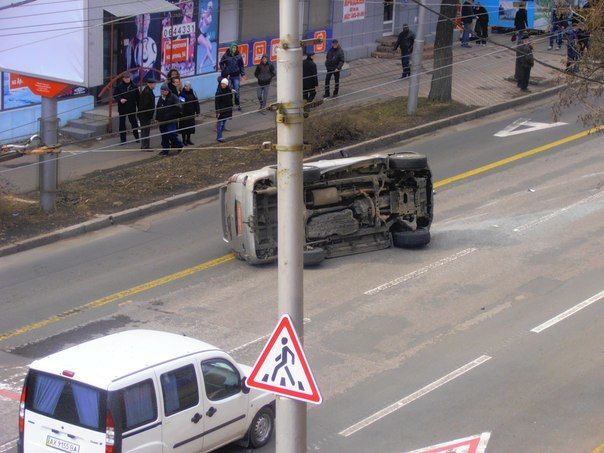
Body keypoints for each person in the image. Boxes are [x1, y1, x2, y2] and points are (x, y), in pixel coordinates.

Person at [155, 83, 183, 155]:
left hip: (171, 120)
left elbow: (179, 107)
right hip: (162, 120)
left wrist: (171, 114)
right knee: (164, 136)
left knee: (171, 134)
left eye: (163, 91)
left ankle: (179, 145)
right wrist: (157, 118)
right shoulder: (161, 98)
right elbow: (158, 108)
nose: (162, 92)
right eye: (161, 91)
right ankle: (165, 150)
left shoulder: (173, 97)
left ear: (167, 91)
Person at [113, 72, 140, 145]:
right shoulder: (119, 87)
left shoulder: (134, 86)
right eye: (126, 78)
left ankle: (137, 137)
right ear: (123, 79)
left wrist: (139, 107)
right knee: (122, 124)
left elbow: (138, 98)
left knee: (134, 123)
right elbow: (115, 95)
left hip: (132, 107)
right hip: (122, 108)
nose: (127, 79)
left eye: (128, 77)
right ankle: (123, 140)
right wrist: (120, 99)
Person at [219, 43, 246, 110]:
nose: (234, 49)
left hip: (236, 75)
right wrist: (224, 70)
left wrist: (243, 74)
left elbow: (241, 65)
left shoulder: (238, 55)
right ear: (230, 48)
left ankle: (237, 104)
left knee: (236, 89)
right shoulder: (226, 55)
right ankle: (229, 105)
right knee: (229, 90)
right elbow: (221, 63)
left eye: (235, 48)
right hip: (228, 76)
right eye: (233, 48)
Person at [138, 77, 157, 151]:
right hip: (145, 116)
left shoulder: (148, 91)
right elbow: (145, 106)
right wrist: (150, 115)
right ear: (150, 84)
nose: (155, 86)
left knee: (145, 131)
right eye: (154, 84)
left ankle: (144, 146)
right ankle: (145, 147)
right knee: (145, 131)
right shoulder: (147, 92)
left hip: (144, 115)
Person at [179, 81, 200, 146]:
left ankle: (188, 139)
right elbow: (180, 104)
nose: (187, 87)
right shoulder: (181, 94)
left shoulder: (193, 93)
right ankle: (184, 140)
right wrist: (180, 112)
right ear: (184, 87)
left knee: (190, 127)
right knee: (184, 128)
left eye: (188, 86)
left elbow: (196, 102)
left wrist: (197, 111)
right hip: (184, 114)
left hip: (191, 113)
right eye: (186, 86)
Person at [197, 1, 216, 68]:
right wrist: (201, 19)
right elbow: (199, 26)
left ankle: (202, 63)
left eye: (211, 8)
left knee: (210, 48)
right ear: (207, 8)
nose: (210, 9)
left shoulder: (210, 18)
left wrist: (203, 16)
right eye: (209, 8)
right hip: (199, 34)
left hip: (205, 34)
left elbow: (207, 22)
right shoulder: (204, 13)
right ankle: (213, 62)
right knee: (207, 47)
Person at [215, 78, 234, 143]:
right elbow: (216, 103)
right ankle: (219, 137)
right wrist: (218, 111)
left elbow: (231, 98)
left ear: (226, 84)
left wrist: (231, 107)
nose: (222, 85)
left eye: (224, 84)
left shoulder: (229, 90)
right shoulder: (219, 92)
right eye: (221, 84)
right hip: (221, 110)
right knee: (219, 123)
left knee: (225, 120)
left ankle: (223, 129)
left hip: (227, 109)